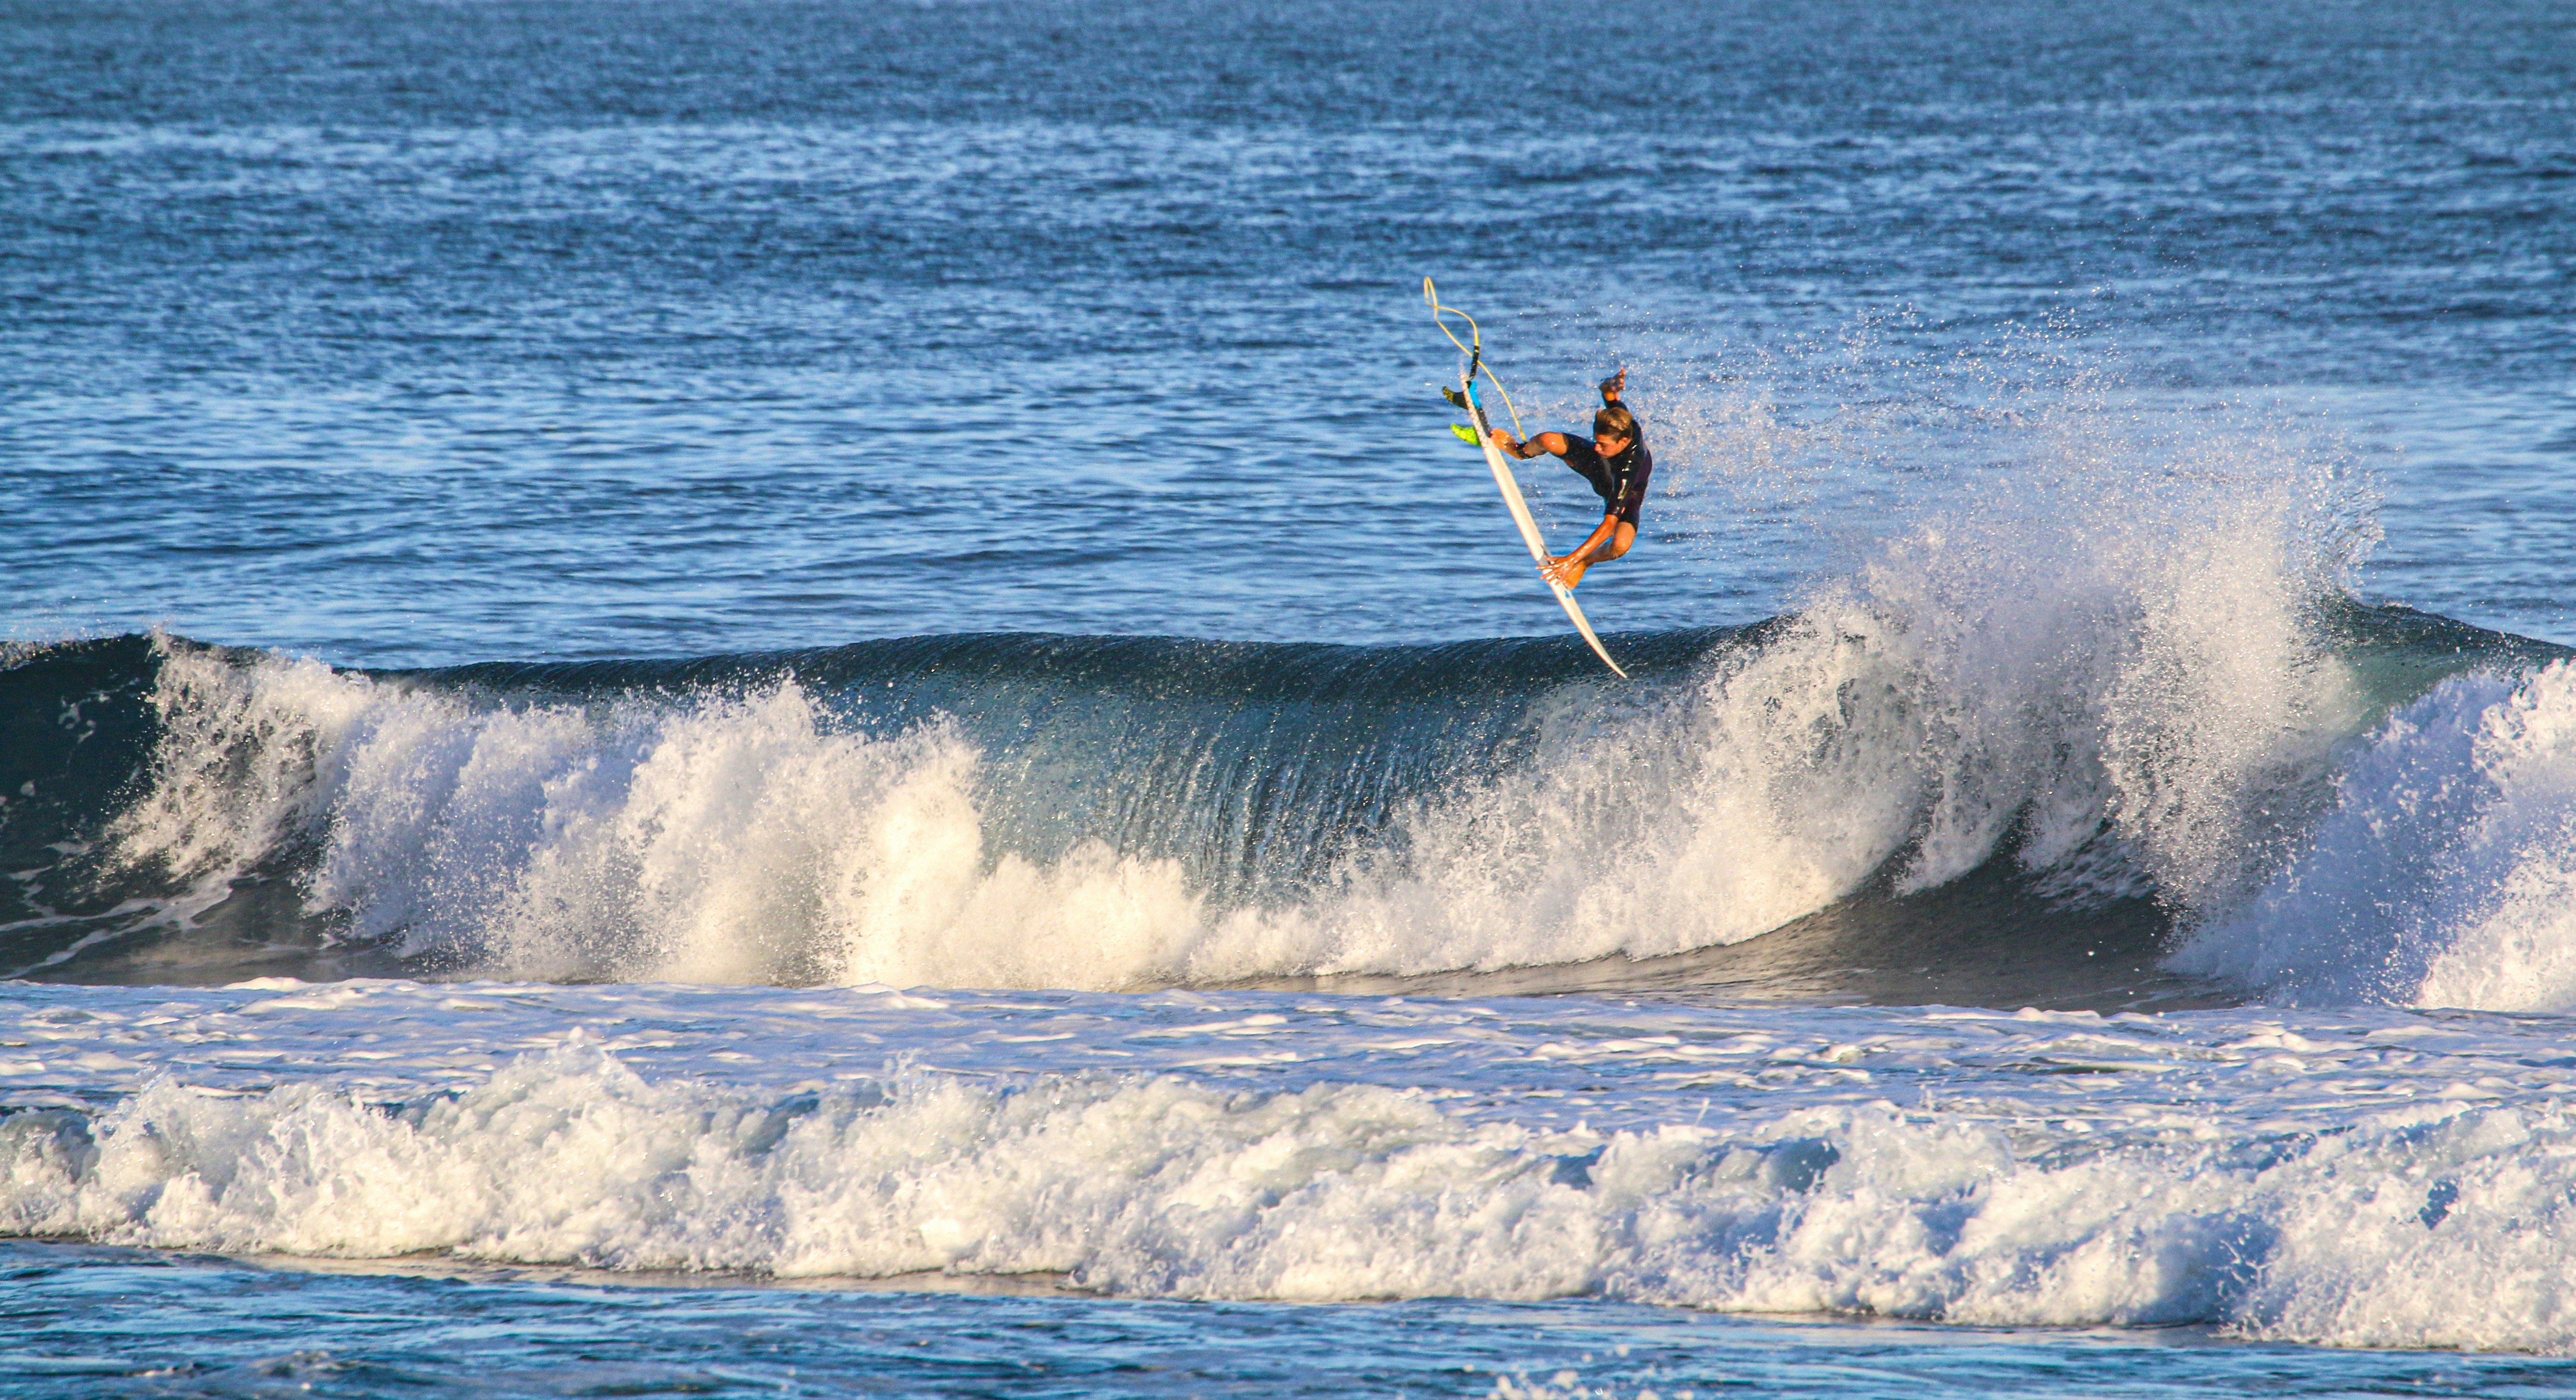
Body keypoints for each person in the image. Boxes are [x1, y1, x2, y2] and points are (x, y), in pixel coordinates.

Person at [1484, 368, 1650, 589]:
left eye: (1604, 445)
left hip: (1623, 493)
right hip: (1598, 467)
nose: (1598, 448)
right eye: (1596, 441)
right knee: (1549, 440)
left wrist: (1571, 559)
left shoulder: (1628, 469)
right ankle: (1519, 450)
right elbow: (1607, 393)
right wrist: (1611, 385)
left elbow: (1609, 525)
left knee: (1620, 545)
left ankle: (1584, 563)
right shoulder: (1619, 421)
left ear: (1624, 442)